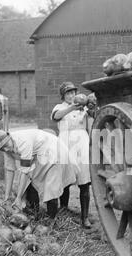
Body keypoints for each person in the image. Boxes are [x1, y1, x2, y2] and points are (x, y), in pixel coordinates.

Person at [0, 129, 77, 219]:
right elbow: (9, 170)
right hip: (40, 155)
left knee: (51, 186)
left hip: (54, 151)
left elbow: (25, 172)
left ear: (9, 138)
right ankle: (34, 212)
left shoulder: (23, 142)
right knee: (31, 182)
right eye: (2, 149)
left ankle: (51, 219)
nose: (6, 149)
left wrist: (18, 198)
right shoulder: (7, 149)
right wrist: (6, 196)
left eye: (6, 145)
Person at [51, 81, 92, 229]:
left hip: (81, 143)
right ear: (63, 95)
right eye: (68, 93)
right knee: (65, 178)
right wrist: (71, 108)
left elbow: (91, 119)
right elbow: (56, 116)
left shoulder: (84, 107)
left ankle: (85, 217)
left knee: (84, 180)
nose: (72, 95)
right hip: (65, 143)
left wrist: (90, 108)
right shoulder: (60, 107)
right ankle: (64, 208)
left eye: (73, 92)